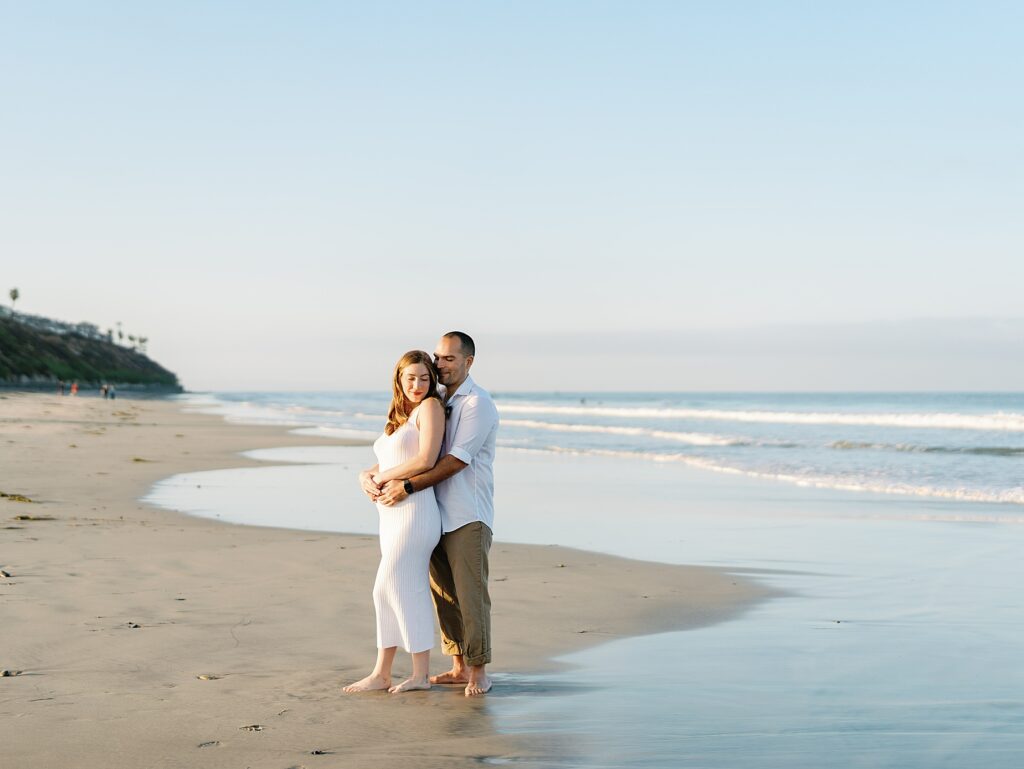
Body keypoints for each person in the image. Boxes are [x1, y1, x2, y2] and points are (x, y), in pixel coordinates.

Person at [368, 331, 499, 697]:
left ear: (468, 362)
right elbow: (404, 451)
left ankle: (479, 671)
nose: (440, 364)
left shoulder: (478, 404)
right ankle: (458, 667)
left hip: (467, 512)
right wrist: (371, 474)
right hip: (434, 510)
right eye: (438, 357)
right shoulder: (439, 397)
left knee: (470, 594)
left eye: (449, 359)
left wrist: (407, 486)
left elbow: (455, 460)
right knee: (445, 595)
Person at [345, 350, 444, 694]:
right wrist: (364, 475)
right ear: (399, 380)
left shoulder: (429, 408)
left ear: (432, 381)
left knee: (404, 588)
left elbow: (425, 459)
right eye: (410, 378)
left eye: (424, 378)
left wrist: (384, 476)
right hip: (390, 516)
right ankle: (381, 674)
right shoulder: (401, 415)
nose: (417, 385)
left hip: (416, 513)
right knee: (385, 590)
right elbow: (384, 461)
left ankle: (420, 675)